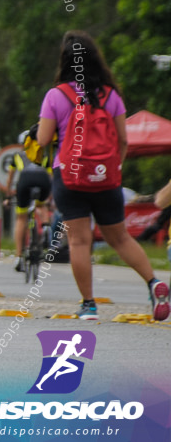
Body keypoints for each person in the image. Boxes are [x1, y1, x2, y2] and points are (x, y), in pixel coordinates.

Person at [36, 31, 169, 321]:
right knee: (120, 238)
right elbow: (123, 140)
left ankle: (89, 305)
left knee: (80, 242)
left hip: (69, 177)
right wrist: (113, 170)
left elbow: (44, 139)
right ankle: (153, 282)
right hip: (107, 177)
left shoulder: (56, 95)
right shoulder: (111, 96)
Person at [4, 135, 53, 273]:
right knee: (41, 205)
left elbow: (10, 179)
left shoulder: (18, 156)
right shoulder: (44, 155)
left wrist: (8, 196)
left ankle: (19, 256)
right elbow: (50, 177)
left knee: (21, 218)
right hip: (42, 180)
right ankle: (46, 227)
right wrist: (50, 197)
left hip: (25, 181)